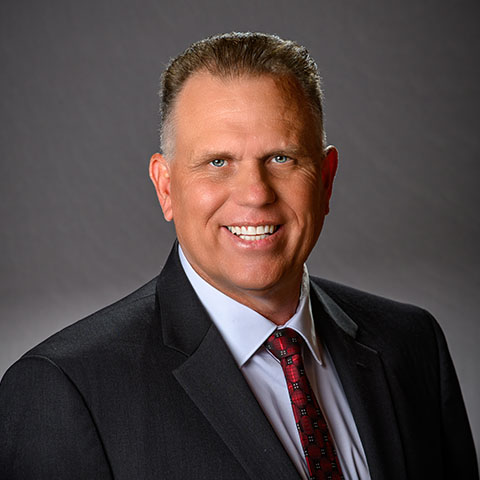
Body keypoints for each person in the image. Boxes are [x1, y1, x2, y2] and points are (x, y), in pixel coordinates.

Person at [0, 32, 477, 480]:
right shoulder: (64, 390)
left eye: (281, 158)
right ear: (165, 187)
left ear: (326, 179)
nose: (255, 194)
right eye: (218, 162)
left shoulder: (411, 345)